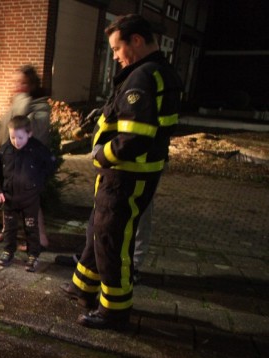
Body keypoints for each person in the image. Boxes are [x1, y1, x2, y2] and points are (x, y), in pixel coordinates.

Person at [60, 14, 182, 328]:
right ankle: (83, 286)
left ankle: (114, 310)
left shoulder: (141, 77)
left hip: (126, 174)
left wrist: (103, 155)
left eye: (117, 48)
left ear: (136, 41)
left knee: (113, 241)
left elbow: (136, 136)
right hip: (132, 174)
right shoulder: (156, 72)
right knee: (99, 233)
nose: (115, 56)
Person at [0, 65, 52, 249]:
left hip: (27, 165)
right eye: (16, 82)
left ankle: (39, 239)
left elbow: (31, 133)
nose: (18, 86)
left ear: (32, 85)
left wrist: (22, 105)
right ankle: (7, 231)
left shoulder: (38, 107)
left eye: (23, 82)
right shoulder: (17, 103)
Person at [0, 116, 56, 272]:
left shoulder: (37, 150)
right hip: (10, 198)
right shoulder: (4, 150)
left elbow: (51, 164)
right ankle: (8, 252)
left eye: (20, 137)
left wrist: (38, 183)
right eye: (12, 137)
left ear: (29, 134)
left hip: (30, 199)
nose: (16, 141)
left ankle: (33, 255)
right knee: (10, 228)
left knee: (31, 228)